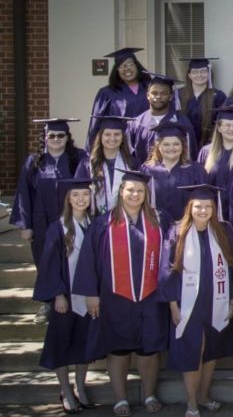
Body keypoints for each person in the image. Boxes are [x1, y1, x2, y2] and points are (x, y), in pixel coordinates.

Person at [73, 170, 168, 416]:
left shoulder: (159, 220)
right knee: (118, 349)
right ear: (121, 192)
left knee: (149, 350)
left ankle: (149, 395)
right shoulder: (103, 223)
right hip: (114, 297)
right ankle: (120, 399)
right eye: (130, 190)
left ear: (146, 194)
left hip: (151, 298)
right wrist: (91, 293)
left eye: (140, 190)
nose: (135, 194)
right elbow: (89, 259)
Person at [159, 186, 233, 417]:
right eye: (198, 206)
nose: (203, 210)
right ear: (190, 208)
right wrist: (173, 304)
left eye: (208, 206)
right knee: (193, 349)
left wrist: (232, 301)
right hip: (188, 304)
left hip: (217, 300)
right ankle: (192, 403)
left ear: (214, 209)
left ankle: (204, 396)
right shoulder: (177, 232)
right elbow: (167, 271)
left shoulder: (224, 231)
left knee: (210, 350)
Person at [32, 178, 99, 414]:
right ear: (68, 200)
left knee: (84, 343)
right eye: (75, 195)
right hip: (66, 296)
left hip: (89, 297)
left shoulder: (95, 224)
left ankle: (80, 385)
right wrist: (57, 294)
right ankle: (65, 389)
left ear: (91, 198)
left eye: (85, 195)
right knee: (62, 343)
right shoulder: (57, 227)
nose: (81, 199)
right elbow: (49, 264)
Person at [14, 118, 88, 267]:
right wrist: (25, 225)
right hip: (41, 221)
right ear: (45, 138)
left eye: (61, 135)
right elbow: (24, 193)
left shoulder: (79, 158)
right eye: (51, 135)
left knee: (71, 261)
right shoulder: (33, 161)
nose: (56, 139)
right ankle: (50, 291)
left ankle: (69, 291)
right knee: (45, 261)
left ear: (67, 138)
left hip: (71, 218)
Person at [140, 122, 209, 233]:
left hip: (187, 228)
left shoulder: (196, 170)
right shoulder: (147, 170)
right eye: (166, 144)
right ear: (159, 146)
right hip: (154, 227)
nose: (171, 148)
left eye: (176, 144)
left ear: (183, 146)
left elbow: (203, 201)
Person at [195, 107, 233, 220]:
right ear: (219, 128)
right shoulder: (206, 152)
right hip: (211, 213)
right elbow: (199, 183)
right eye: (227, 125)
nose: (232, 128)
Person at [90, 48, 152, 141]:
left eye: (130, 64)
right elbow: (96, 123)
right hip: (119, 142)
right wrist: (92, 148)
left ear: (137, 66)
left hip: (147, 139)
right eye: (121, 66)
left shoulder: (150, 88)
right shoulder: (107, 93)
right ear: (117, 70)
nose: (127, 68)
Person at [84, 115, 137, 213]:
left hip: (125, 220)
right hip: (95, 220)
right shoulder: (87, 164)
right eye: (107, 134)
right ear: (100, 137)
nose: (112, 138)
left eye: (117, 134)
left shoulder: (132, 163)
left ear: (122, 138)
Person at [125, 71, 181, 160]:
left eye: (164, 93)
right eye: (154, 93)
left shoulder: (181, 122)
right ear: (147, 95)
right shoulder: (135, 124)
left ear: (171, 96)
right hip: (143, 172)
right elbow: (128, 155)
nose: (158, 96)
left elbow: (189, 154)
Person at [177, 58, 228, 148]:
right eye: (195, 72)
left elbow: (221, 123)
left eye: (203, 71)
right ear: (189, 75)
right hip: (183, 144)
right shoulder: (178, 95)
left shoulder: (219, 96)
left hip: (209, 145)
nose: (199, 75)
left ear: (209, 74)